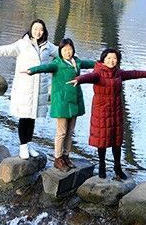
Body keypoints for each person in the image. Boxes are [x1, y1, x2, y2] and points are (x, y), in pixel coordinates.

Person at [0, 19, 56, 160]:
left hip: (39, 88)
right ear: (31, 29)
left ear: (44, 31)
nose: (38, 32)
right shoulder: (22, 44)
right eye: (35, 29)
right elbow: (4, 50)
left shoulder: (48, 47)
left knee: (32, 118)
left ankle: (29, 144)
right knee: (24, 117)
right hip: (25, 88)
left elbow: (64, 53)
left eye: (41, 29)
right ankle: (23, 146)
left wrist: (76, 60)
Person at [69, 47, 146, 180]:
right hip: (101, 111)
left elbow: (133, 74)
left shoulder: (118, 73)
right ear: (103, 59)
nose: (111, 61)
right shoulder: (98, 73)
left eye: (114, 58)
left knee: (117, 140)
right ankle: (102, 165)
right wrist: (79, 79)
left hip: (116, 111)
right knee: (102, 139)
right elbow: (90, 76)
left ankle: (117, 168)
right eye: (108, 58)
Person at [28, 38, 95, 170]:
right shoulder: (57, 63)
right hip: (62, 102)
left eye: (70, 49)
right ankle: (57, 158)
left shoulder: (77, 61)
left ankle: (66, 156)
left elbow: (90, 64)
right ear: (60, 51)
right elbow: (45, 67)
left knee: (70, 132)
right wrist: (32, 70)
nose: (68, 52)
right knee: (61, 132)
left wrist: (103, 64)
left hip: (75, 100)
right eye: (64, 50)